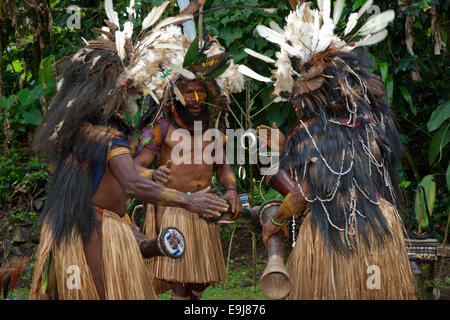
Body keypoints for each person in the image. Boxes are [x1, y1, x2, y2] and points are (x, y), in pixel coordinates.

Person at [29, 0, 228, 300]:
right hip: (92, 228)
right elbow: (131, 182)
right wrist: (189, 201)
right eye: (134, 83)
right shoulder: (105, 135)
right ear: (113, 87)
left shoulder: (92, 128)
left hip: (95, 224)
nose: (141, 89)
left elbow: (126, 173)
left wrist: (148, 173)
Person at [242, 1, 416, 299]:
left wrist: (276, 219)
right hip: (379, 229)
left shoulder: (309, 131)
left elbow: (303, 194)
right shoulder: (372, 123)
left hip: (335, 233)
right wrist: (285, 148)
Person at [134, 29, 245, 300]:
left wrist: (231, 189)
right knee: (181, 281)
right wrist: (153, 172)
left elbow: (223, 168)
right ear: (175, 95)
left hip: (205, 210)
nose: (195, 99)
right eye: (188, 92)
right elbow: (134, 168)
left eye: (199, 92)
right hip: (173, 207)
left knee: (200, 281)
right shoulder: (158, 128)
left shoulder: (214, 129)